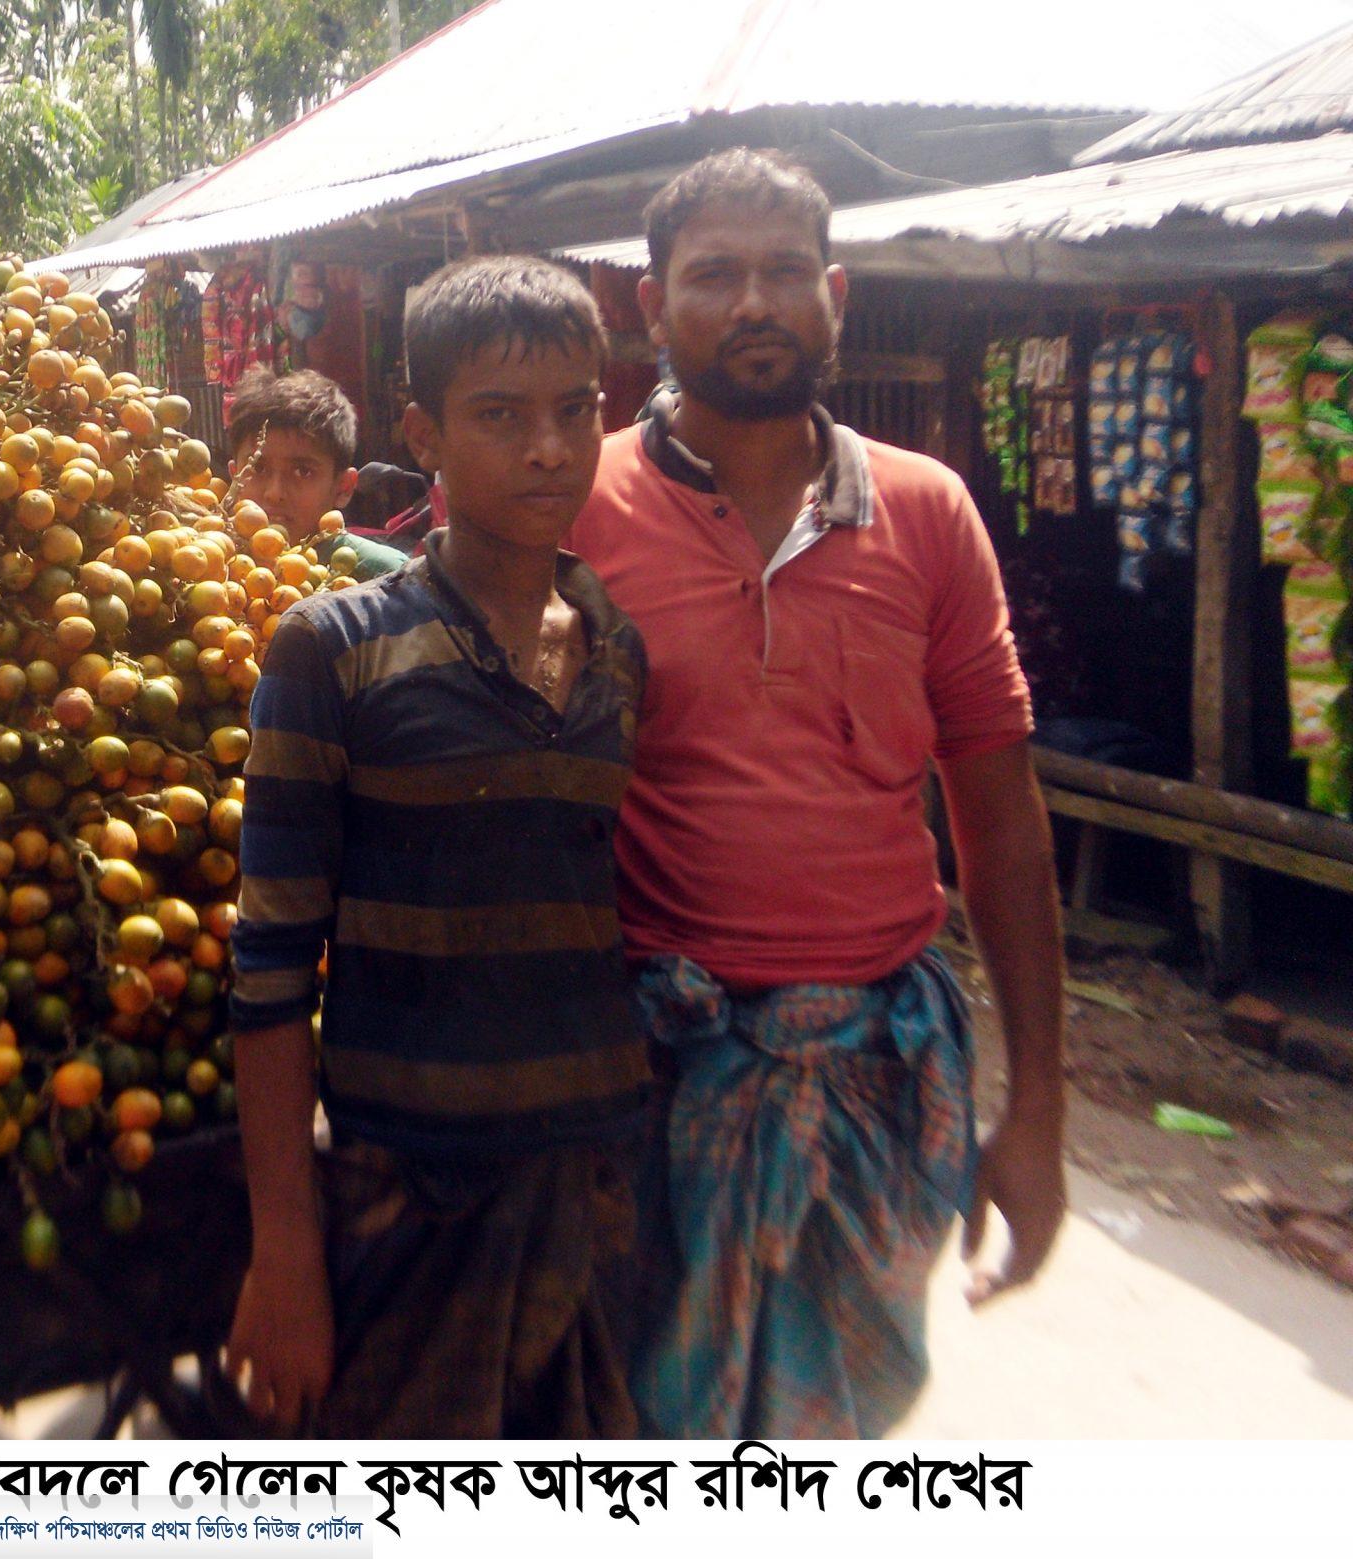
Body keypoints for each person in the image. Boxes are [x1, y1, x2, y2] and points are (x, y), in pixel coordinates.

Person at [563, 149, 1068, 1438]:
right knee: (622, 1435)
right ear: (647, 304)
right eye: (714, 274)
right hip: (646, 1077)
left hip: (876, 1079)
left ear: (834, 293)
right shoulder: (574, 508)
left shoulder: (927, 511)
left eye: (786, 272)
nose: (753, 303)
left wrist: (1040, 1108)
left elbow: (1000, 820)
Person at [221, 256, 653, 1436]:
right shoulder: (330, 650)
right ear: (425, 434)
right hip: (403, 1195)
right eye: (501, 416)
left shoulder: (617, 648)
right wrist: (287, 1253)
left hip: (593, 1182)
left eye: (576, 412)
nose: (549, 449)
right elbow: (267, 971)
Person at [223, 367, 411, 580]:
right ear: (234, 478)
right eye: (257, 468)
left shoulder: (386, 576)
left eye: (303, 471)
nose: (274, 493)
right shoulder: (215, 567)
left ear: (344, 487)